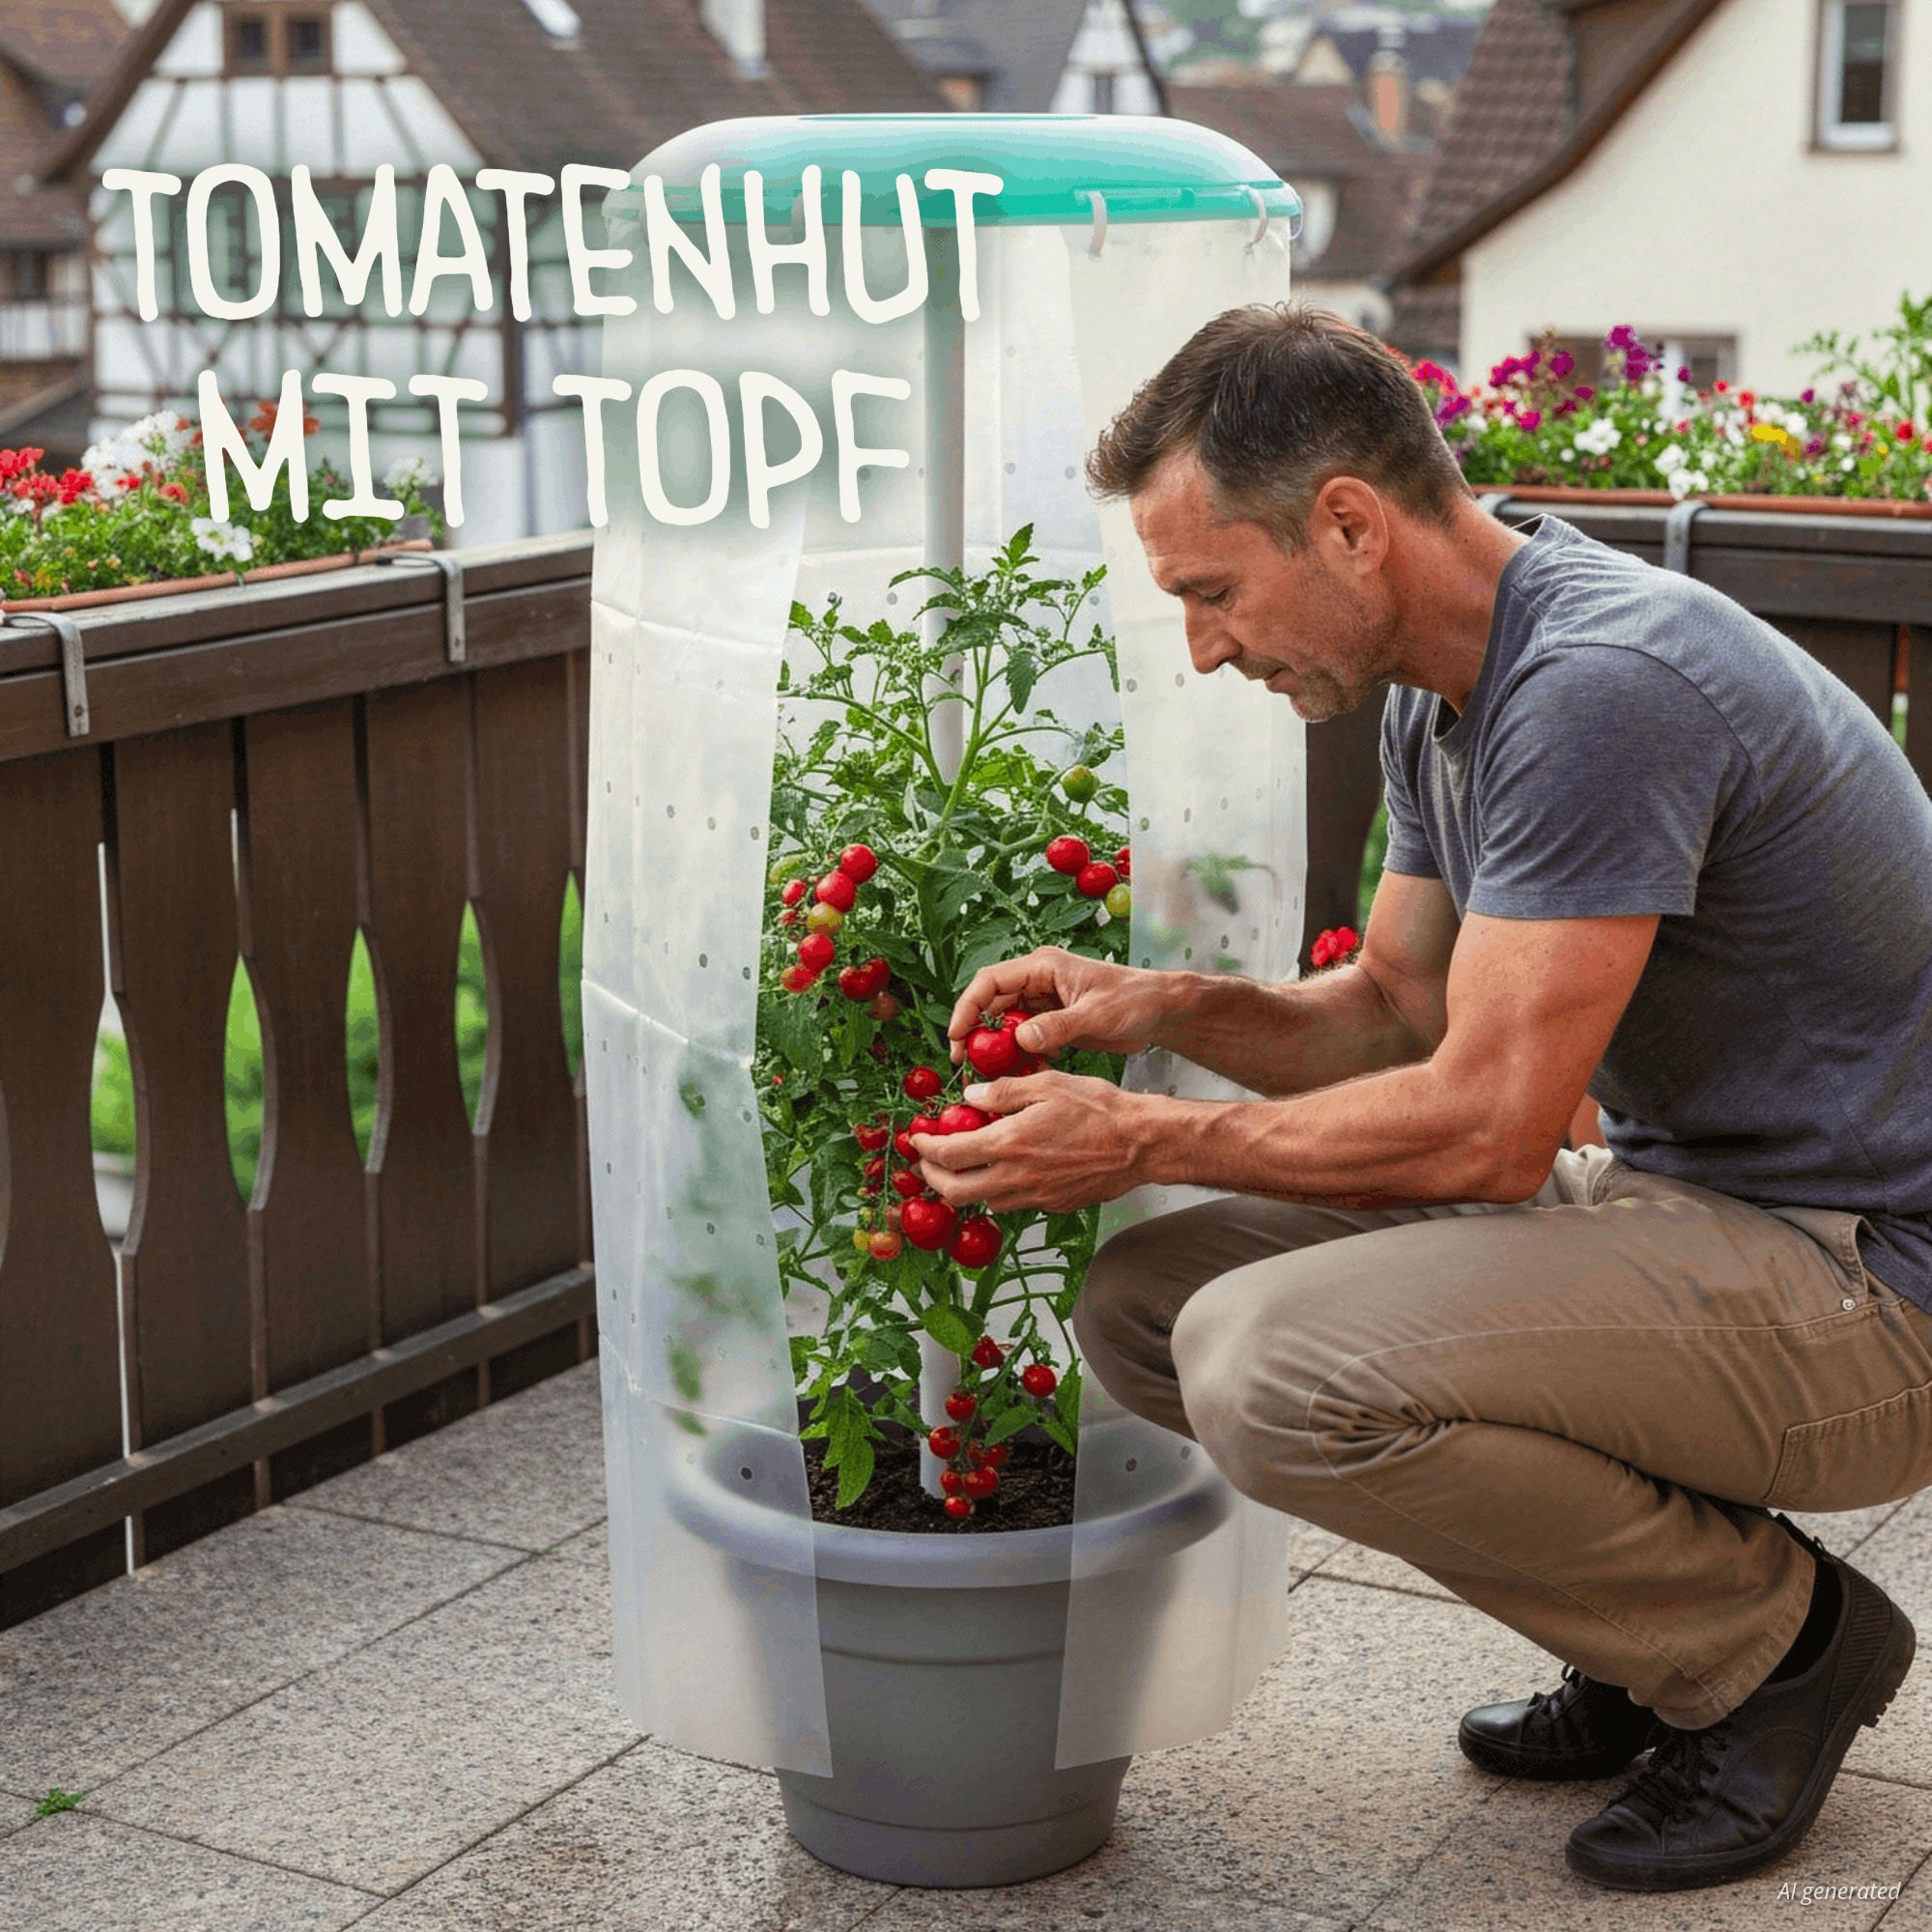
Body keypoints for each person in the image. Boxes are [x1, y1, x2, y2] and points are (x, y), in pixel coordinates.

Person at [913, 302, 1932, 1893]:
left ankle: (1775, 1653)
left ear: (1349, 525)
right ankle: (1646, 1631)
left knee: (1270, 1366)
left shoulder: (1601, 686)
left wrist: (1155, 1134)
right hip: (1710, 1213)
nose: (1203, 643)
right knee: (1147, 1302)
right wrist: (1160, 1008)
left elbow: (1488, 1126)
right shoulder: (1442, 686)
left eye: (1211, 591)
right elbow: (1399, 1015)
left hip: (1873, 1285)